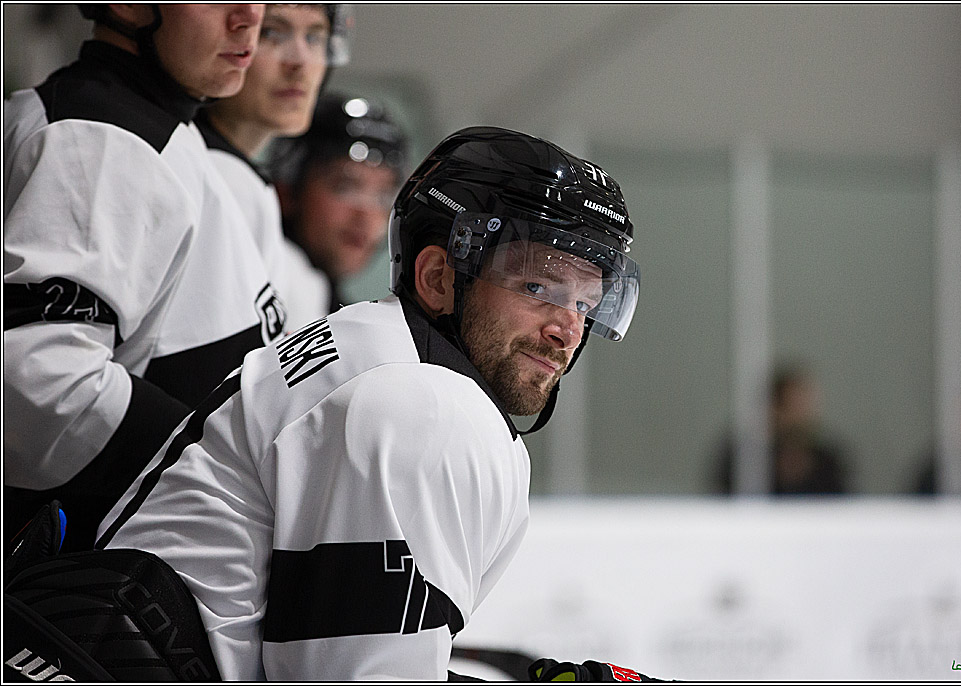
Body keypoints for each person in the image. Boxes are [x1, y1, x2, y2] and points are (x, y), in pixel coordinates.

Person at [95, 126, 642, 680]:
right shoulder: (425, 404)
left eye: (584, 302)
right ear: (438, 278)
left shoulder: (369, 346)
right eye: (537, 289)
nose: (568, 330)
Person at [3, 4, 275, 553]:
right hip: (82, 598)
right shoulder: (102, 137)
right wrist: (227, 474)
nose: (250, 16)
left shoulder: (148, 125)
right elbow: (39, 388)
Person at [194, 4, 351, 296]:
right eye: (271, 33)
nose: (300, 62)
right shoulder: (197, 174)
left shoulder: (242, 184)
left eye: (315, 38)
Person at [269, 92, 408, 327]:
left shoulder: (339, 317)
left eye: (383, 196)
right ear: (286, 190)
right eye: (345, 188)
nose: (366, 215)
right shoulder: (259, 281)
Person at [715, 364, 848, 494]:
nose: (804, 416)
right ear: (775, 408)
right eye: (795, 406)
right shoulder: (745, 458)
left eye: (807, 406)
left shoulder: (827, 462)